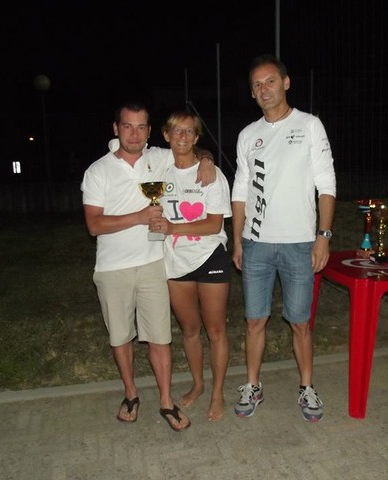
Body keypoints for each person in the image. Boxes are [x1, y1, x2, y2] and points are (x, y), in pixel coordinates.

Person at [81, 101, 216, 432]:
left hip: (154, 263)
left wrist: (207, 159)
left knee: (160, 337)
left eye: (141, 127)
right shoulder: (98, 171)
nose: (134, 134)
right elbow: (94, 225)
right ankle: (131, 394)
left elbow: (188, 146)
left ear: (150, 131)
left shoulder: (158, 157)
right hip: (113, 267)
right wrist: (139, 217)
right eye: (127, 126)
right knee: (121, 337)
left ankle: (166, 401)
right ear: (116, 129)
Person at [230, 54, 336, 422]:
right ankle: (252, 385)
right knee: (254, 321)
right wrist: (237, 238)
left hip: (299, 243)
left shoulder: (309, 126)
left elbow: (326, 183)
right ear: (252, 92)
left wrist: (323, 236)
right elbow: (240, 189)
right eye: (257, 85)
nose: (264, 89)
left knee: (300, 322)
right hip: (256, 243)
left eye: (270, 81)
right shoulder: (248, 135)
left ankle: (307, 387)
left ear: (286, 83)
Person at [148, 110, 232, 422]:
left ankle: (218, 392)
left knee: (216, 330)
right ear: (165, 135)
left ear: (197, 137)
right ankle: (198, 384)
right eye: (176, 131)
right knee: (190, 330)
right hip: (174, 262)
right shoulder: (157, 168)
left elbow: (213, 225)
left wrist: (173, 228)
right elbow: (121, 145)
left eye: (189, 132)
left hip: (209, 257)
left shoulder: (211, 173)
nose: (182, 137)